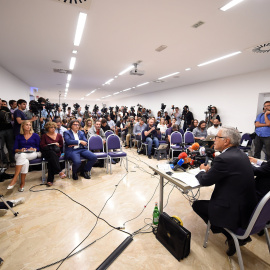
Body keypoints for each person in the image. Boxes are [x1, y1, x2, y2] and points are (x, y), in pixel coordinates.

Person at [192, 127, 257, 256]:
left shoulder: (223, 158)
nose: (214, 140)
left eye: (217, 137)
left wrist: (201, 170)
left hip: (232, 209)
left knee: (197, 205)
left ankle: (230, 235)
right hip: (246, 207)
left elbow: (205, 181)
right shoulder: (241, 155)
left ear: (226, 141)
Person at [7, 120, 42, 191]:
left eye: (30, 125)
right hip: (20, 154)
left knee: (22, 157)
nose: (29, 126)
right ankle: (22, 183)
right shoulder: (18, 136)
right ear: (22, 126)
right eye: (27, 125)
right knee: (25, 161)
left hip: (32, 154)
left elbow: (39, 147)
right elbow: (15, 149)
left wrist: (34, 149)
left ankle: (15, 178)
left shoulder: (35, 135)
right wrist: (20, 150)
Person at [40, 121, 66, 186]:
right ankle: (59, 171)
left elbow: (61, 145)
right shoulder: (44, 136)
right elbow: (42, 146)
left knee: (51, 159)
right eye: (51, 127)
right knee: (51, 154)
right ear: (47, 128)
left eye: (54, 127)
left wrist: (57, 145)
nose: (53, 129)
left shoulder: (59, 135)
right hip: (47, 152)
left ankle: (50, 180)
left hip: (56, 152)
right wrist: (50, 145)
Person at [0, 98, 16, 167]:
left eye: (0, 102)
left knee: (10, 146)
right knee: (0, 147)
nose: (1, 104)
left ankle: (12, 161)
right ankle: (5, 161)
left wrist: (7, 116)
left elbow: (11, 118)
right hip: (0, 131)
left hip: (9, 129)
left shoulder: (5, 108)